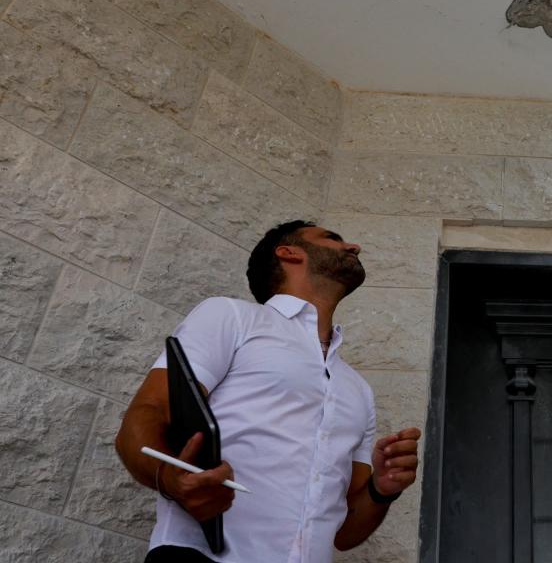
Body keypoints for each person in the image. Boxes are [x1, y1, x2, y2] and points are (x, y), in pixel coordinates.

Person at [115, 220, 421, 562]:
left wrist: (382, 489)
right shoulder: (231, 316)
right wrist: (170, 479)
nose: (354, 246)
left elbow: (346, 534)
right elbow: (148, 413)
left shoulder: (358, 390)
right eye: (333, 238)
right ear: (288, 253)